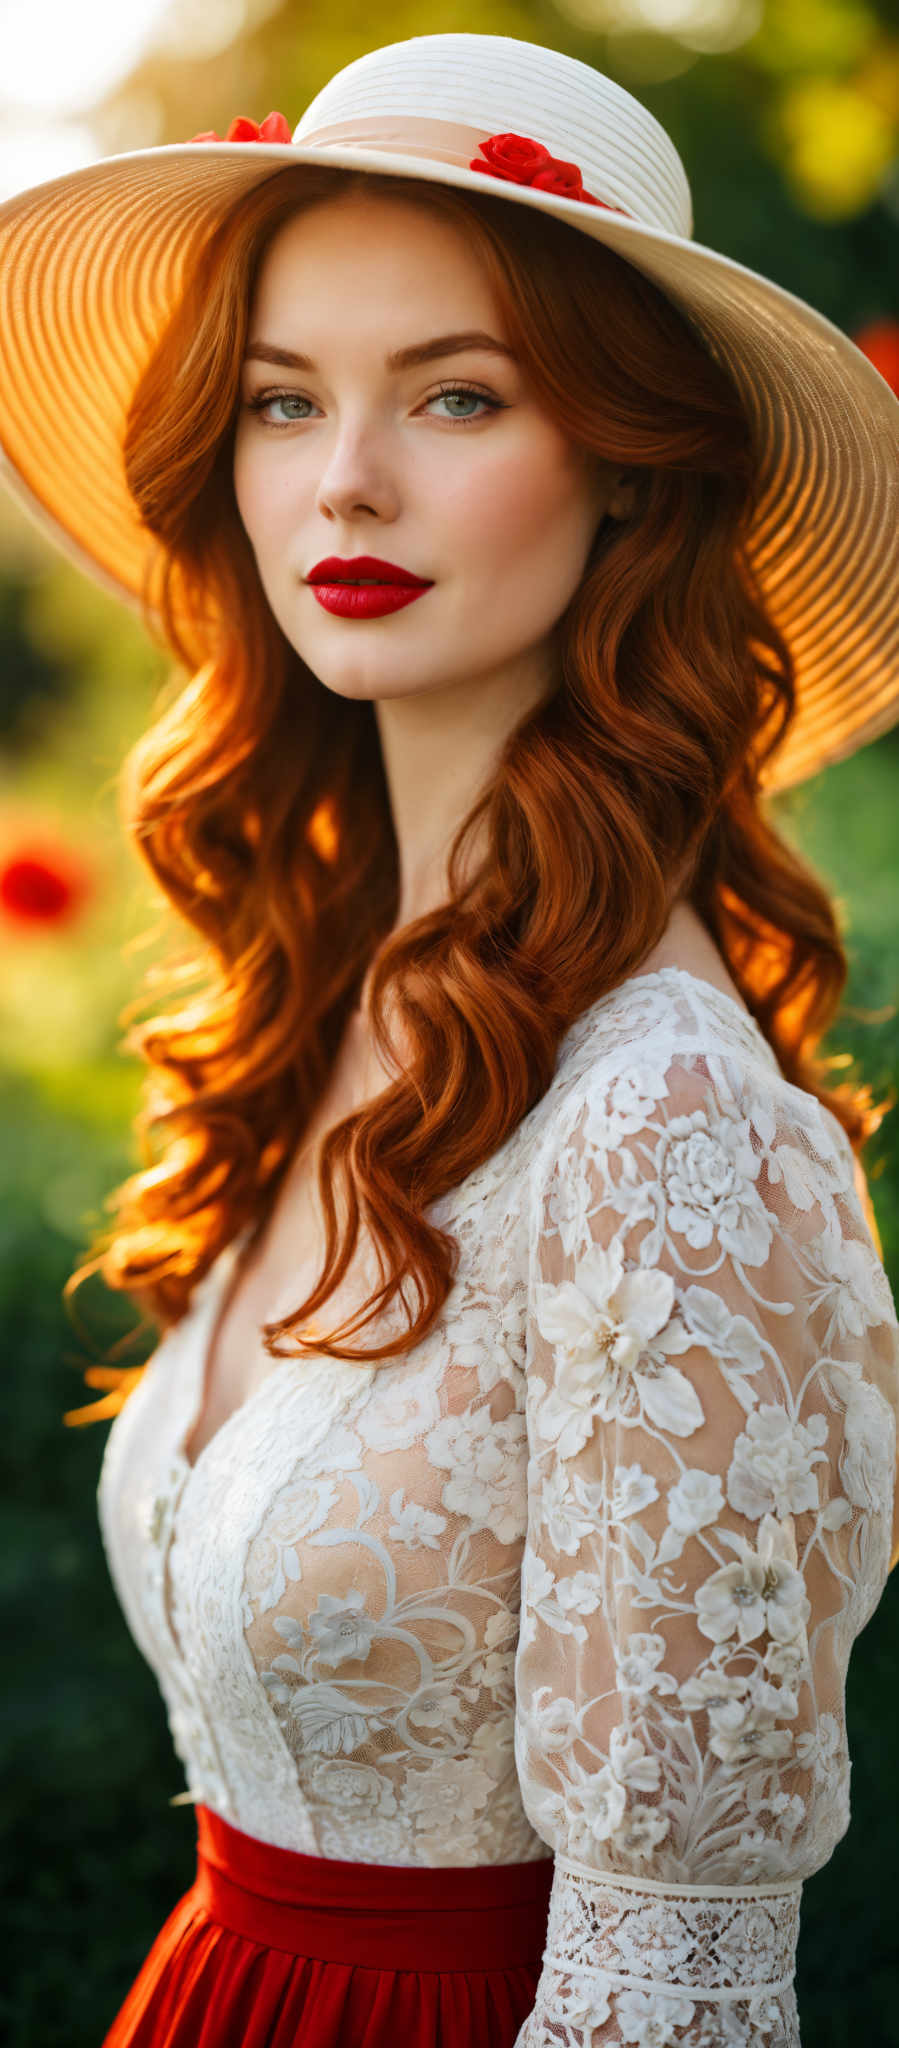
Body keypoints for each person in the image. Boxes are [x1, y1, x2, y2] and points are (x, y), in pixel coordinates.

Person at [1, 29, 898, 2048]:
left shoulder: (668, 1124)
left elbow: (674, 1989)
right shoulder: (328, 1014)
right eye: (283, 400)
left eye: (459, 395)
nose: (346, 479)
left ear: (632, 472)